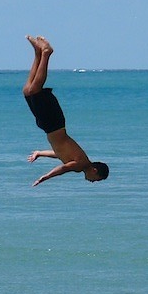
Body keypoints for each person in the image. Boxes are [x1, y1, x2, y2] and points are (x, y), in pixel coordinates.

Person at [23, 35, 109, 187]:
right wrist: (45, 177)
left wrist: (40, 153)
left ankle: (38, 53)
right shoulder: (80, 165)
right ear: (95, 170)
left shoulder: (81, 161)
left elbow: (58, 153)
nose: (93, 182)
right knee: (34, 90)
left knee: (28, 91)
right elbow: (63, 169)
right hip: (53, 124)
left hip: (50, 126)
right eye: (97, 179)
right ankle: (46, 53)